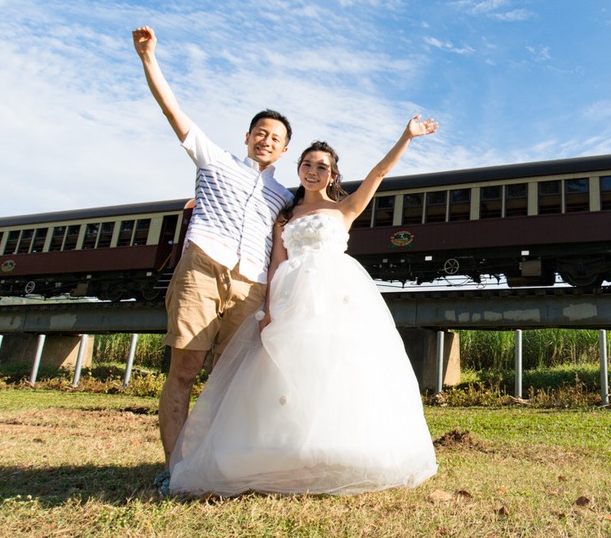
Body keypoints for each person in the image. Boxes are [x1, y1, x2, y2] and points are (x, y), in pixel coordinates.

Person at [168, 116, 440, 497]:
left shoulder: (345, 209)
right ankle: (287, 455)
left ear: (332, 175)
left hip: (337, 296)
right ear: (299, 169)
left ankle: (336, 452)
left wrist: (406, 136)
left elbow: (379, 172)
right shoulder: (285, 215)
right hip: (290, 297)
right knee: (283, 375)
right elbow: (276, 264)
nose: (313, 171)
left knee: (335, 370)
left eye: (322, 167)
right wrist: (268, 311)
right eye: (307, 164)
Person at [132, 26, 294, 497]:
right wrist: (148, 58)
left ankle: (215, 467)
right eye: (260, 132)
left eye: (275, 137)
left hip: (251, 287)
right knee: (184, 371)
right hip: (203, 270)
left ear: (284, 150)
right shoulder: (214, 161)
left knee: (226, 384)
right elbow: (172, 110)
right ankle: (175, 469)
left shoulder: (283, 196)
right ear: (247, 137)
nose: (266, 140)